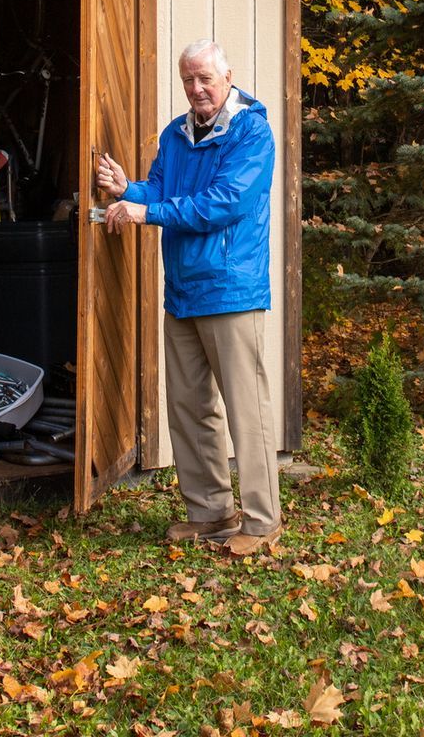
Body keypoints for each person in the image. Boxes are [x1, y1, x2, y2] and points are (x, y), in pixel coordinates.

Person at [95, 39, 281, 555]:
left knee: (247, 410)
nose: (196, 89)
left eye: (205, 79)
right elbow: (161, 189)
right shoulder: (177, 135)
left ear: (228, 77)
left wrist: (146, 213)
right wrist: (127, 190)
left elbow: (223, 204)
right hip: (182, 291)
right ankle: (211, 512)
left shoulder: (251, 132)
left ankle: (263, 522)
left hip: (231, 289)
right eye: (188, 81)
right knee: (190, 406)